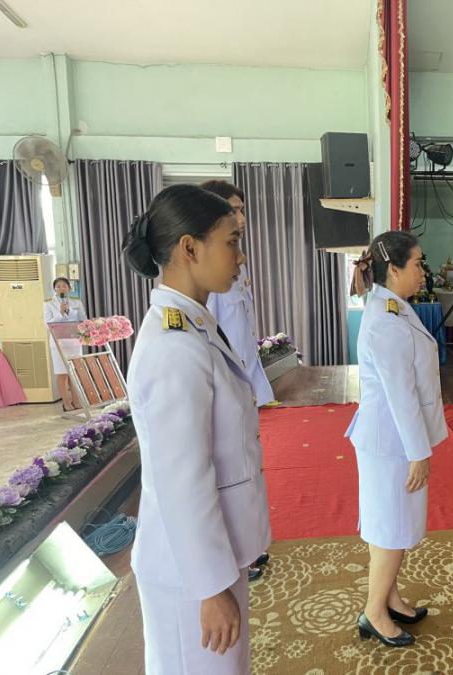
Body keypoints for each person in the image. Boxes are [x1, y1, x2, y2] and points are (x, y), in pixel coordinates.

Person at [122, 184, 271, 674]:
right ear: (190, 248)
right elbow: (182, 478)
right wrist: (210, 588)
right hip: (189, 572)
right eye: (231, 241)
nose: (241, 256)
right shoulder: (174, 345)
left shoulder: (193, 324)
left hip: (210, 557)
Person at [345, 231, 447, 647]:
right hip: (392, 442)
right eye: (418, 263)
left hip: (391, 438)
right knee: (390, 529)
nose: (424, 271)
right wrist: (419, 452)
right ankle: (374, 613)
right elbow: (401, 395)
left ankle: (389, 598)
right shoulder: (386, 320)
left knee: (393, 525)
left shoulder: (393, 307)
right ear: (394, 268)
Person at [202, 179, 273, 582]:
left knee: (246, 467)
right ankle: (230, 556)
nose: (241, 217)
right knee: (225, 472)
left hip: (242, 381)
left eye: (243, 209)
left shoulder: (234, 264)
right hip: (222, 387)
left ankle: (246, 548)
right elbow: (209, 332)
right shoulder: (209, 273)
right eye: (234, 209)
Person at [43, 277, 86, 411]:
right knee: (62, 373)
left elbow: (83, 320)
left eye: (64, 286)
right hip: (58, 343)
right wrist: (60, 313)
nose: (61, 288)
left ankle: (76, 401)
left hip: (74, 342)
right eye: (58, 286)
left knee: (75, 373)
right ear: (54, 289)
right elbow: (47, 325)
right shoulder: (48, 304)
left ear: (69, 288)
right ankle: (66, 403)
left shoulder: (76, 302)